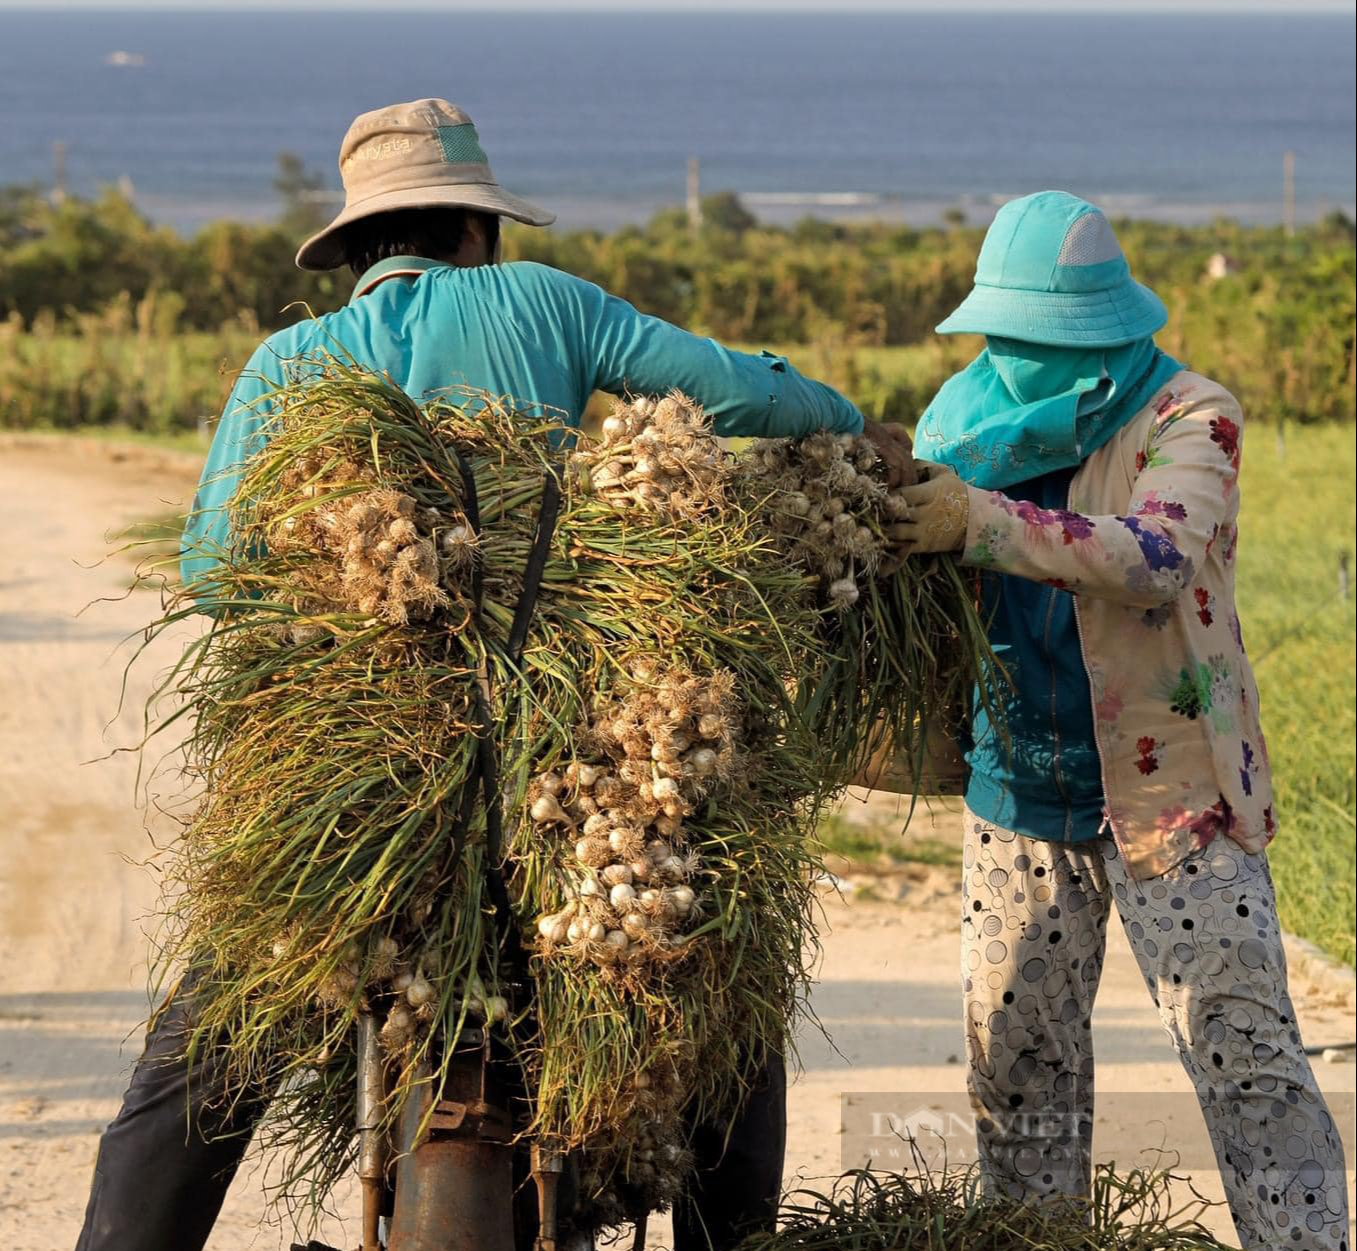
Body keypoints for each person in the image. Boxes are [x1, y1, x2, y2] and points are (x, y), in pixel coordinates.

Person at [76, 98, 909, 1251]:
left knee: (220, 1029)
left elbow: (217, 572)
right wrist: (850, 419)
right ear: (477, 227)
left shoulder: (291, 361)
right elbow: (745, 395)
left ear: (361, 247)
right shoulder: (548, 302)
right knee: (722, 992)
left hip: (366, 767)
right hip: (580, 747)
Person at [888, 190, 1348, 1251]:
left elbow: (1153, 558)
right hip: (1019, 788)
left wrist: (980, 520)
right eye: (1001, 339)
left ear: (1098, 332)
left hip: (1169, 793)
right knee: (1017, 1069)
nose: (1013, 359)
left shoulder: (1191, 416)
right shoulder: (962, 419)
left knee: (1244, 1056)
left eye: (1033, 340)